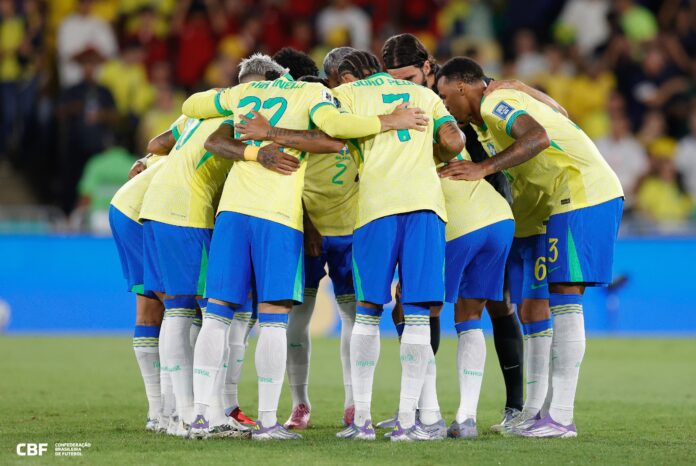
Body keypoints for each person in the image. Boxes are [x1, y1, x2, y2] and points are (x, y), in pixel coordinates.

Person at [182, 53, 426, 440]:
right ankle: (267, 422)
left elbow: (191, 106)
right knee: (274, 318)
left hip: (232, 213)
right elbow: (337, 132)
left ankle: (199, 417)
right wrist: (390, 121)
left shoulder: (243, 94)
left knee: (217, 314)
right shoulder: (309, 94)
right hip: (278, 217)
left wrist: (245, 121)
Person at [436, 57, 624, 438]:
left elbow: (538, 137)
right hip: (548, 207)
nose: (443, 105)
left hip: (583, 192)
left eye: (444, 96)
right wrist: (525, 87)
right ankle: (536, 413)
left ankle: (561, 418)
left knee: (565, 297)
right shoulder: (487, 121)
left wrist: (483, 167)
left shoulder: (494, 103)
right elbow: (559, 114)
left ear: (461, 87)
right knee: (533, 306)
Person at [381, 33, 525, 432]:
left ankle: (429, 411)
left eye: (409, 77)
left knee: (420, 306)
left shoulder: (447, 96)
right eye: (394, 79)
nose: (402, 86)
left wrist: (486, 171)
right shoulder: (420, 100)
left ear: (427, 68)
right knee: (468, 310)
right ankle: (460, 415)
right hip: (487, 213)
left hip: (468, 205)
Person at [320, 50, 464, 442]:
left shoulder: (349, 94)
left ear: (348, 75)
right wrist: (429, 151)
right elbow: (455, 141)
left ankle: (363, 421)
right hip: (425, 207)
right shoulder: (425, 96)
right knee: (417, 314)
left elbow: (328, 125)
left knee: (367, 312)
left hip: (376, 208)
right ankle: (407, 422)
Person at [268, 47, 357, 430]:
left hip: (349, 230)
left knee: (353, 317)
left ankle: (353, 403)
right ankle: (300, 403)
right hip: (306, 233)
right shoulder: (299, 117)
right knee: (299, 317)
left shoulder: (347, 112)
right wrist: (307, 222)